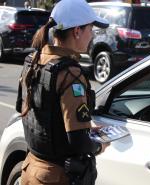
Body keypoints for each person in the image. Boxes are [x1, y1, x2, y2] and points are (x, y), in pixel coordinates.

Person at [16, 0, 110, 184]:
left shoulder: (33, 60)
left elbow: (28, 110)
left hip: (30, 170)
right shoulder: (69, 74)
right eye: (90, 29)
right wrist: (99, 146)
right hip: (55, 177)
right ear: (77, 31)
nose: (92, 35)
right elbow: (78, 142)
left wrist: (86, 129)